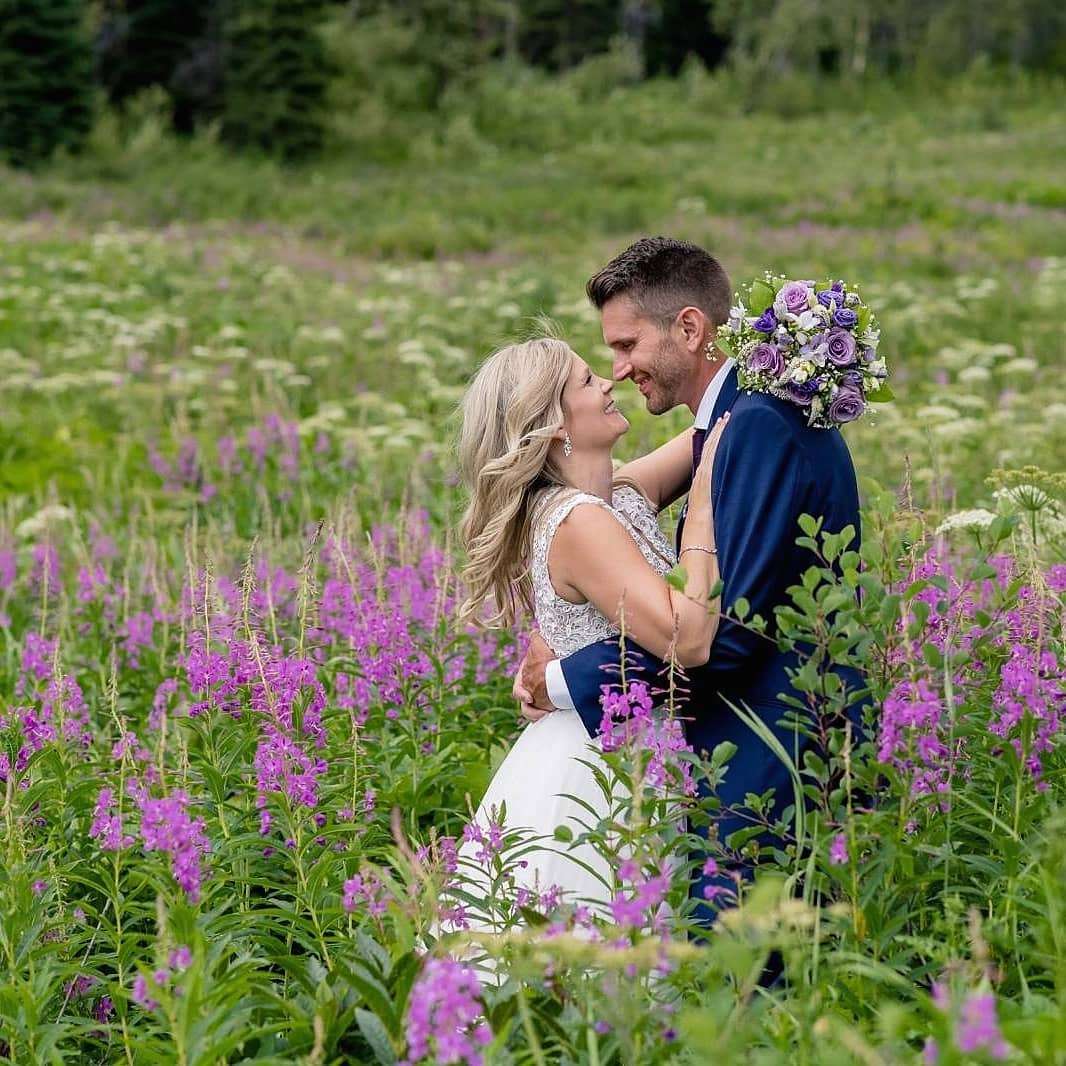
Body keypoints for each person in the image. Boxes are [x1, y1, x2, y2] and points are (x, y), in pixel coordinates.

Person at [513, 238, 865, 922]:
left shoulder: (754, 424)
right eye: (599, 365)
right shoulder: (733, 420)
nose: (617, 371)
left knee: (741, 977)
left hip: (776, 748)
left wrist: (561, 680)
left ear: (690, 328)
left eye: (624, 345)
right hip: (726, 752)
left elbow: (727, 636)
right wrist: (556, 619)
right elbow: (589, 521)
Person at [451, 334, 729, 921]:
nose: (608, 381)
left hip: (636, 745)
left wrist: (788, 356)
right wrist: (701, 513)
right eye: (585, 381)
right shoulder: (577, 520)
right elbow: (685, 637)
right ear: (553, 426)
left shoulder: (615, 497)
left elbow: (718, 422)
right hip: (604, 767)